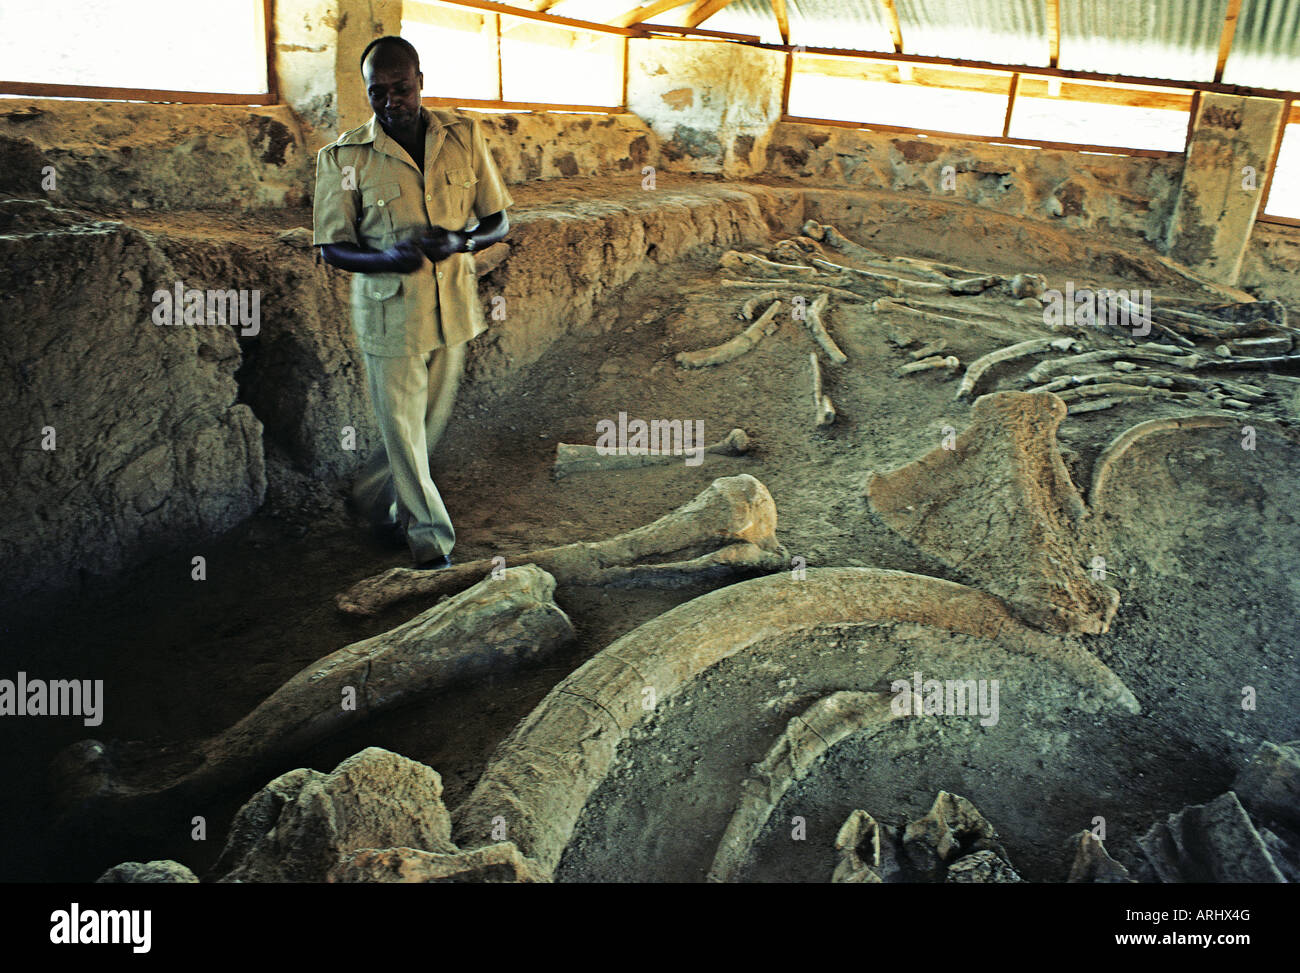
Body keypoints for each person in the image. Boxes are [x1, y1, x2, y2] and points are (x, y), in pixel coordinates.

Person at [312, 35, 513, 569]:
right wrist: (387, 260)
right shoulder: (345, 158)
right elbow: (333, 247)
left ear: (420, 81)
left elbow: (498, 220)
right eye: (377, 92)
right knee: (403, 430)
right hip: (389, 312)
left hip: (452, 307)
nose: (390, 101)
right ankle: (431, 543)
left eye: (401, 88)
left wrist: (461, 242)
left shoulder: (464, 136)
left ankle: (375, 498)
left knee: (420, 430)